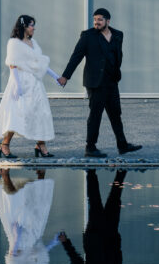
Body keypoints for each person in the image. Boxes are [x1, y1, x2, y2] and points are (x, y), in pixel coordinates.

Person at [58, 8, 141, 157]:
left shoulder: (117, 35)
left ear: (108, 21)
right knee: (95, 115)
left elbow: (117, 56)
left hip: (112, 81)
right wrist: (66, 76)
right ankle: (90, 147)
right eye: (95, 20)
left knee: (116, 114)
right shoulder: (87, 36)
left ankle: (122, 145)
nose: (96, 22)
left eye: (100, 20)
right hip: (95, 83)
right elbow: (76, 56)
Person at [0, 15, 62, 158]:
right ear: (24, 27)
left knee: (40, 112)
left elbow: (40, 63)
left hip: (35, 83)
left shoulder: (33, 43)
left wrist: (56, 76)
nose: (34, 28)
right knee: (17, 113)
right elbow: (13, 64)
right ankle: (4, 145)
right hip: (20, 82)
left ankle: (41, 145)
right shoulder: (14, 43)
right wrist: (17, 85)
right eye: (31, 25)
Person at [58, 169, 127, 264]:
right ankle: (121, 172)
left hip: (94, 235)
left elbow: (76, 260)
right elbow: (118, 257)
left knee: (95, 201)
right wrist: (117, 241)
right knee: (115, 200)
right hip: (111, 235)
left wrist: (66, 243)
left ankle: (91, 171)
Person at [0, 169, 61, 264]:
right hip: (31, 237)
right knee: (38, 206)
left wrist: (17, 235)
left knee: (15, 203)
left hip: (20, 238)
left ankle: (6, 175)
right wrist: (55, 241)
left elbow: (14, 255)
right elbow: (40, 253)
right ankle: (41, 174)